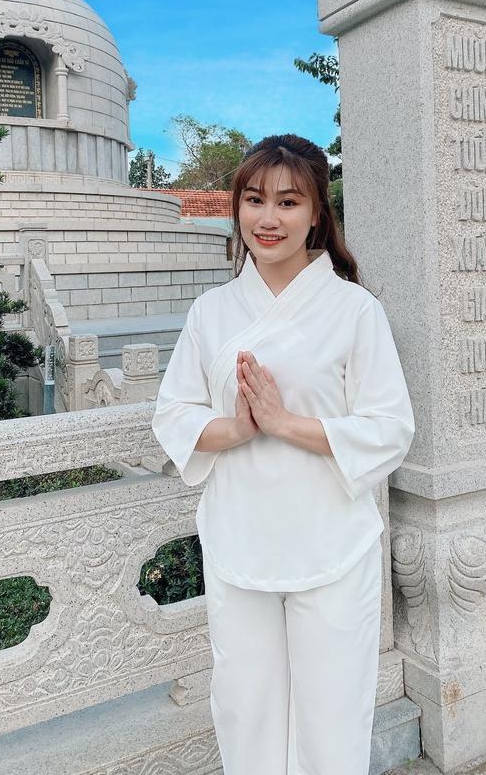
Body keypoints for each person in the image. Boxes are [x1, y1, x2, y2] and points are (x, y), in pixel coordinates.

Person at [152, 134, 415, 775]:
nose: (268, 218)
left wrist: (285, 423)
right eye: (254, 199)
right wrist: (238, 429)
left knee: (332, 719)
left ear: (317, 213)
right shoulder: (212, 312)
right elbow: (174, 414)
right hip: (239, 538)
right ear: (237, 208)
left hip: (333, 544)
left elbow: (390, 427)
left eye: (288, 202)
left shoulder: (355, 310)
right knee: (245, 710)